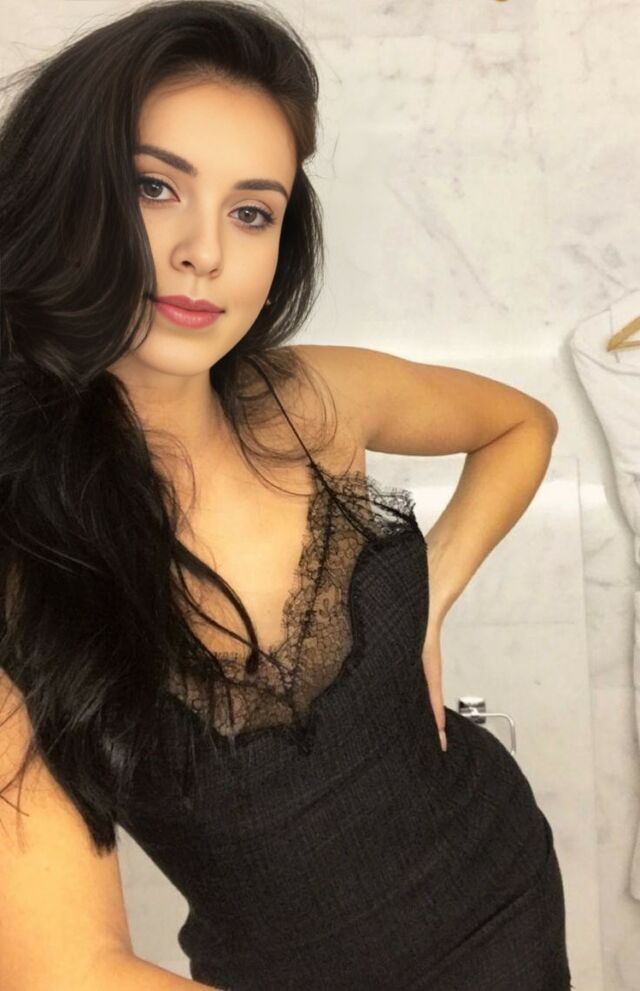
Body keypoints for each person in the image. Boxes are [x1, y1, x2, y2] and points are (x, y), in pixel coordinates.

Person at [0, 1, 573, 988]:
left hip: (504, 886)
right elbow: (67, 968)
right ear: (62, 192)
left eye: (250, 211)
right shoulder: (23, 556)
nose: (205, 252)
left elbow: (522, 425)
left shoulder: (309, 399)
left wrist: (433, 595)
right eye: (153, 187)